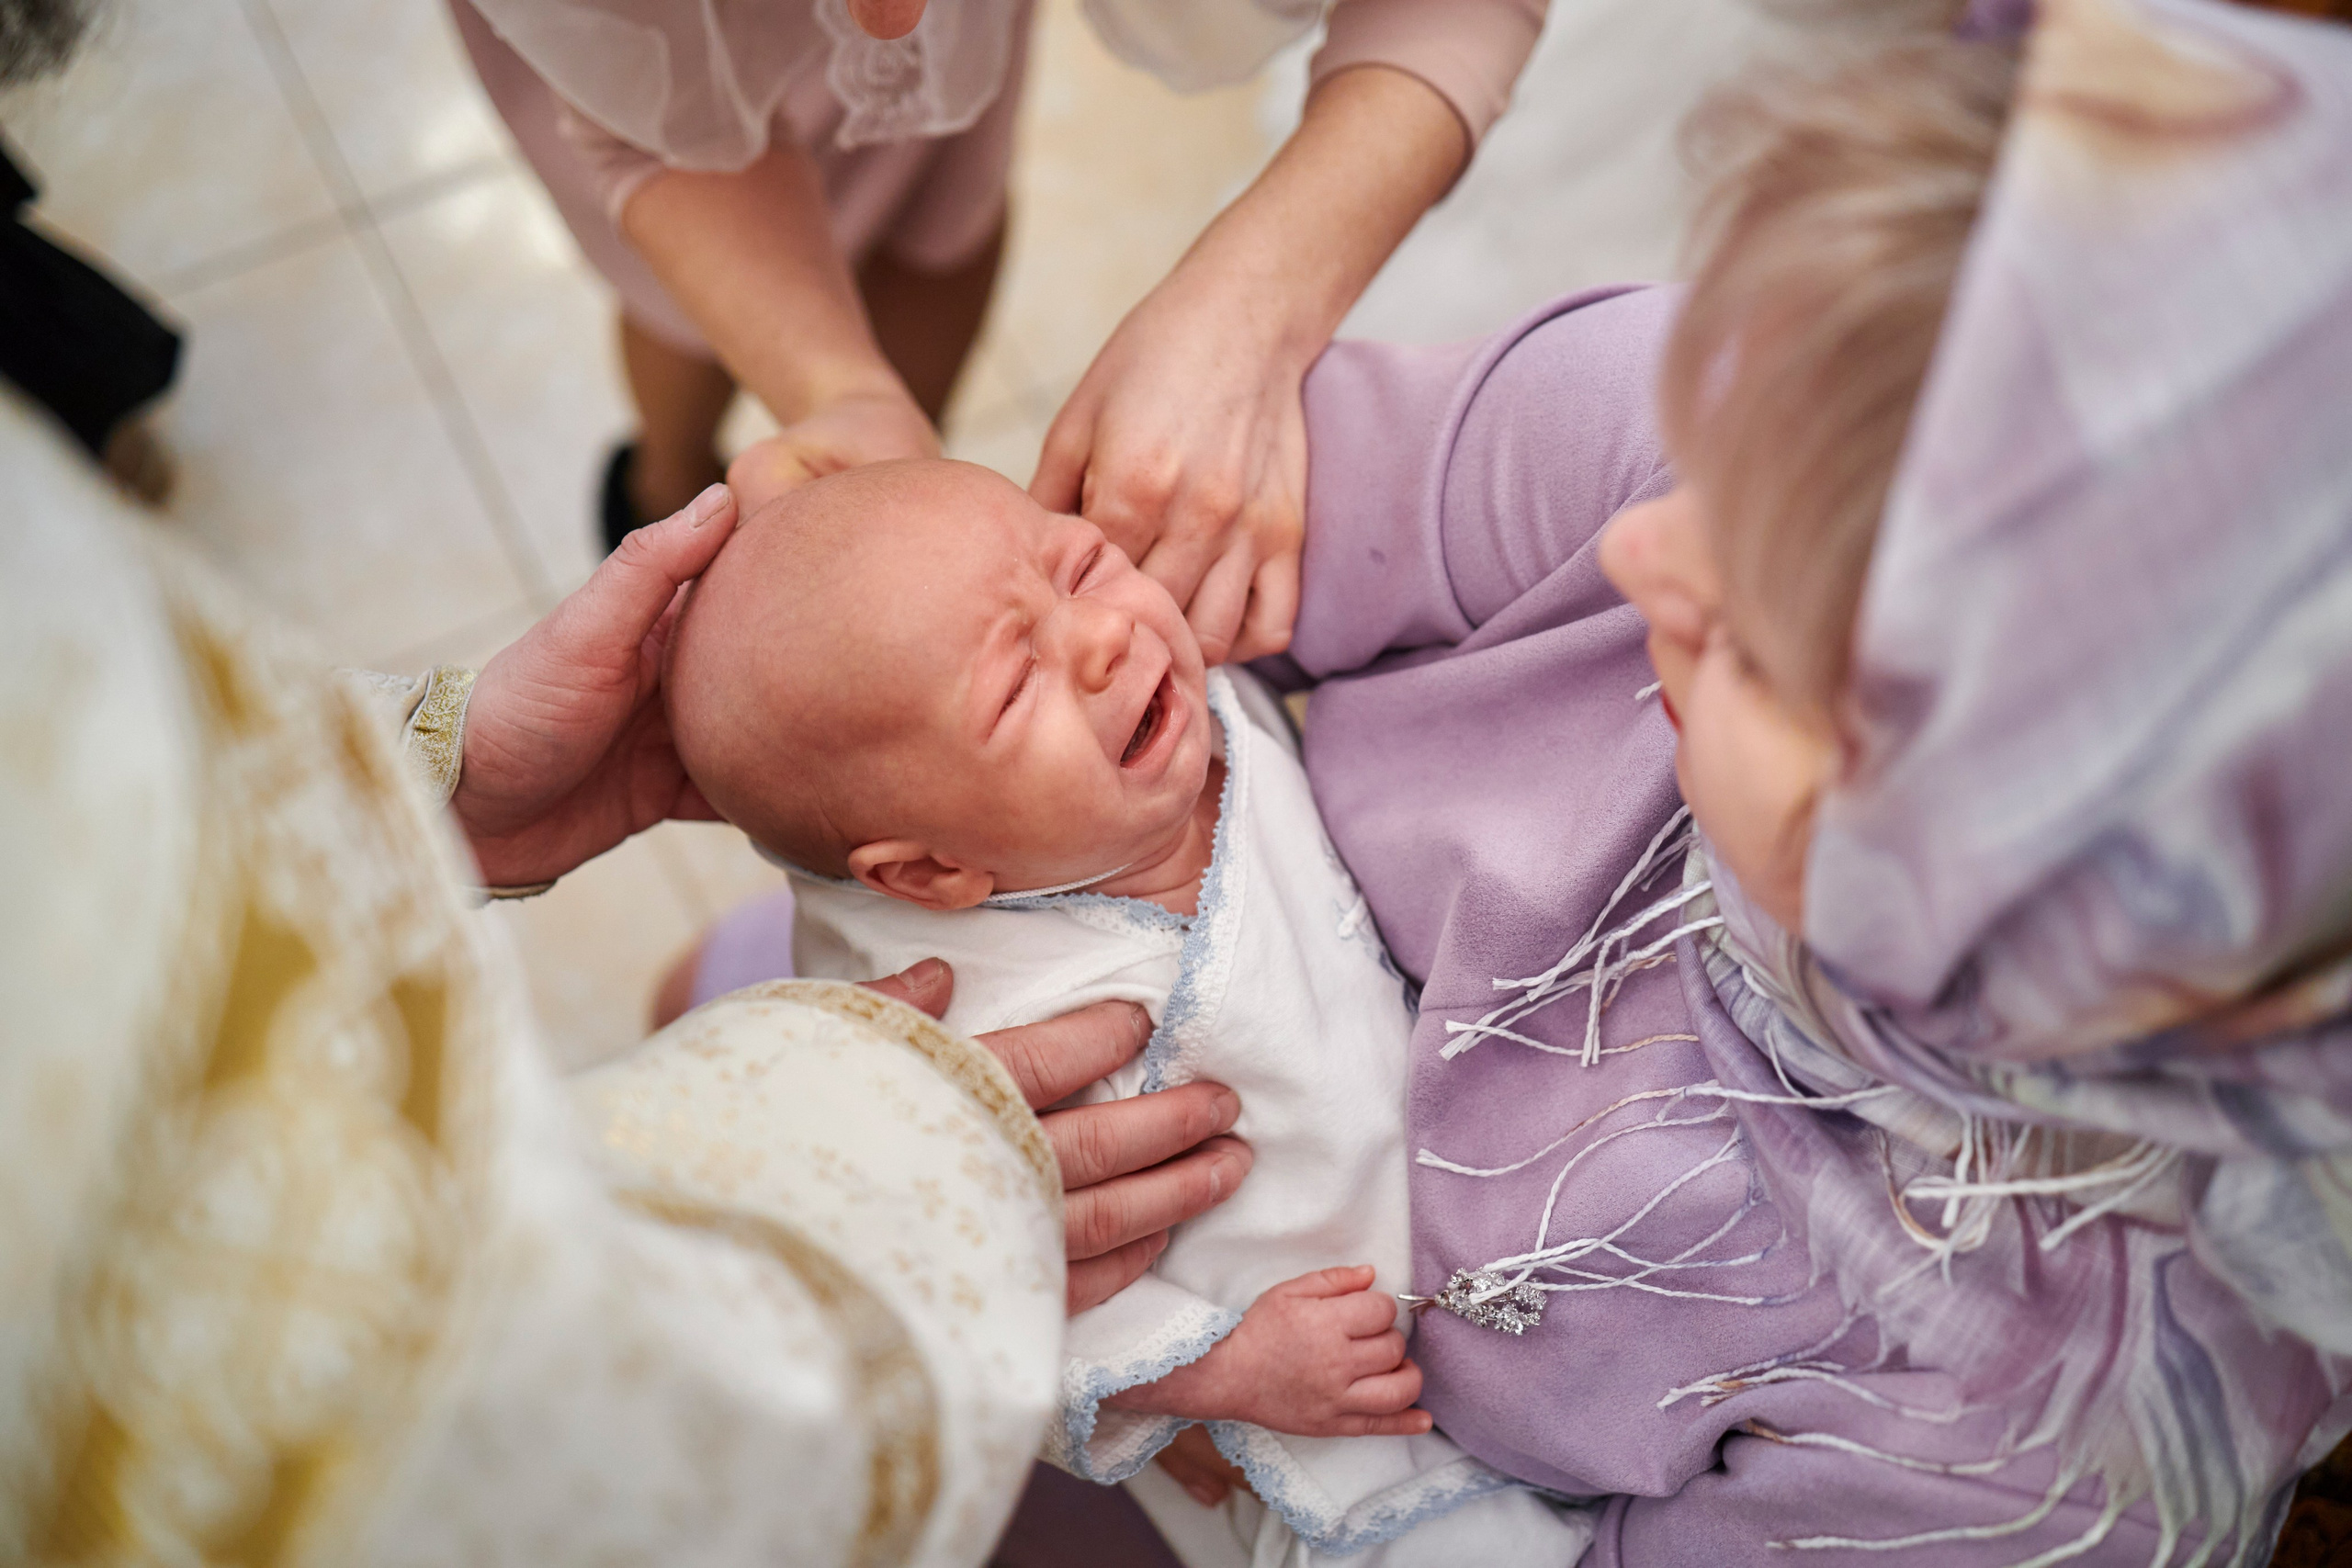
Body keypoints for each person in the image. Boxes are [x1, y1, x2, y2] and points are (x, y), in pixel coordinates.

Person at [658, 457, 1595, 1564]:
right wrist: (1221, 1372)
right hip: (1334, 1426)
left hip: (1516, 1229)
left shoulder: (1203, 702)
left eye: (1078, 566)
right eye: (1016, 686)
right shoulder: (963, 1042)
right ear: (934, 872)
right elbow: (984, 1314)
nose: (1102, 636)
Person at [450, 0, 1545, 667]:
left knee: (945, 203)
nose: (892, 23)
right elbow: (650, 136)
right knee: (681, 311)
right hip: (646, 108)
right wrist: (832, 386)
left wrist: (1252, 307)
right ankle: (667, 473)